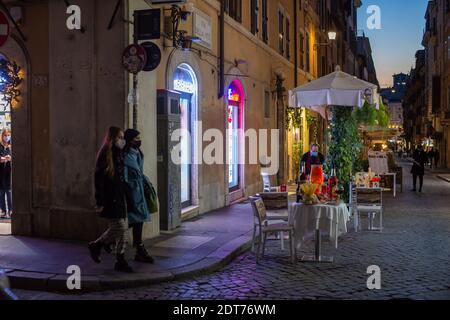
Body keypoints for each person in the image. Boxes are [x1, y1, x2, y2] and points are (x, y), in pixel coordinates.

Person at [88, 126, 133, 273]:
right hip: (110, 199)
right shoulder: (105, 155)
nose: (122, 140)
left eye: (123, 137)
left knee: (120, 230)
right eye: (119, 137)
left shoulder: (118, 153)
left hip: (119, 197)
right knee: (120, 228)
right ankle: (101, 247)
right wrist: (99, 200)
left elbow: (120, 178)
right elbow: (99, 179)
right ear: (113, 139)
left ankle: (113, 256)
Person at [123, 129, 154, 264]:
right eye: (136, 138)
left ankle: (139, 249)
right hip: (132, 192)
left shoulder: (137, 153)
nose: (139, 140)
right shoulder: (124, 156)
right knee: (129, 222)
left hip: (139, 190)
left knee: (137, 220)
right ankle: (101, 243)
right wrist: (128, 193)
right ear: (130, 140)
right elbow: (123, 178)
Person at [0, 129, 12, 219]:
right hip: (1, 172)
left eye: (8, 135)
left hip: (9, 171)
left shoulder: (11, 146)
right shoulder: (0, 146)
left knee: (9, 191)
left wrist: (10, 158)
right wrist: (1, 159)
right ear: (2, 136)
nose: (6, 137)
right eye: (5, 135)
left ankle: (11, 210)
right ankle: (3, 211)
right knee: (1, 192)